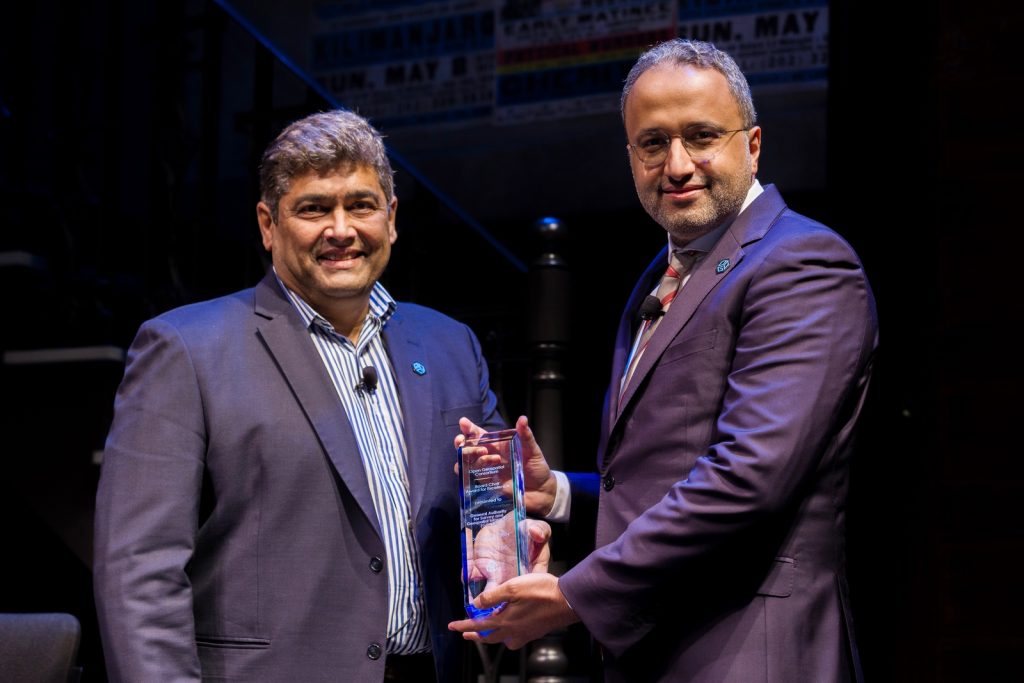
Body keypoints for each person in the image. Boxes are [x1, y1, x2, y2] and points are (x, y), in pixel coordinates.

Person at [449, 38, 879, 682]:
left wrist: (573, 596)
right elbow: (660, 480)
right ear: (630, 157)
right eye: (653, 143)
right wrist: (558, 492)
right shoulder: (664, 272)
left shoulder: (802, 264)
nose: (677, 165)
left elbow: (746, 481)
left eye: (701, 136)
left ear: (753, 145)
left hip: (749, 657)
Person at [93, 109, 526, 682]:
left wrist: (512, 532)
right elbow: (139, 569)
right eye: (314, 209)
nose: (341, 230)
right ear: (268, 225)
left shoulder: (451, 344)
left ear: (392, 218)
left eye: (361, 205)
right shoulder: (186, 349)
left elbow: (493, 504)